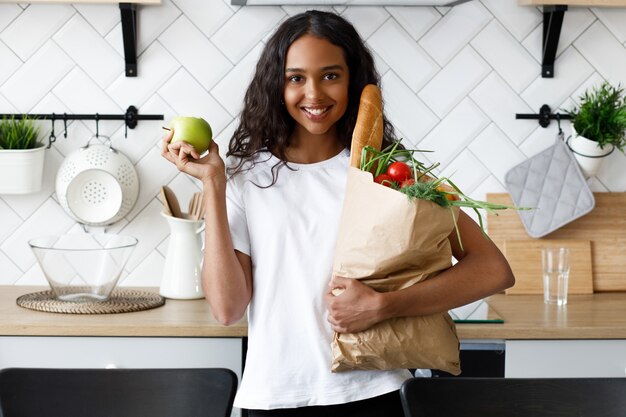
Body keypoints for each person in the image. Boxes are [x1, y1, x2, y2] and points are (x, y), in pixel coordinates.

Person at [161, 9, 515, 417]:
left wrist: (384, 305)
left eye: (330, 75)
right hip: (274, 397)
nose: (314, 94)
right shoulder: (243, 179)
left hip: (375, 392)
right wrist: (213, 183)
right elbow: (227, 309)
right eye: (296, 78)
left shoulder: (387, 172)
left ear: (354, 82)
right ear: (276, 85)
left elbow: (493, 269)